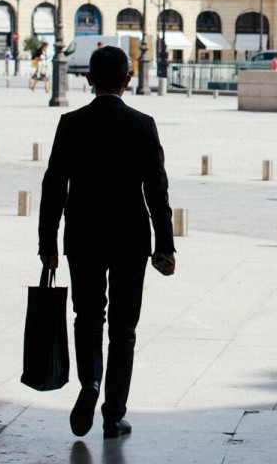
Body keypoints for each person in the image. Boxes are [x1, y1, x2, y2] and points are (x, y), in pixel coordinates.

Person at [38, 46, 176, 439]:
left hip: (82, 235)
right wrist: (164, 246)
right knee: (124, 328)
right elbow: (157, 192)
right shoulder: (143, 124)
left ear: (89, 79)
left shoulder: (70, 123)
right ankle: (113, 412)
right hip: (131, 237)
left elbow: (54, 187)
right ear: (128, 80)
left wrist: (47, 241)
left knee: (87, 317)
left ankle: (90, 384)